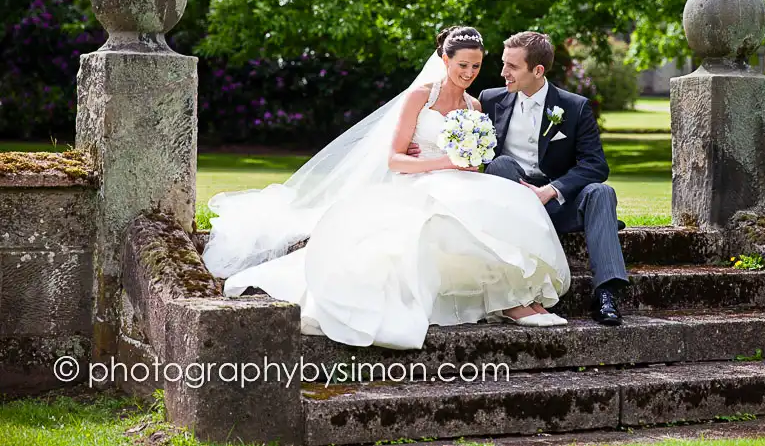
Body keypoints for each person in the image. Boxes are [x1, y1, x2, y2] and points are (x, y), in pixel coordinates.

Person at [201, 27, 571, 350]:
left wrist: (469, 162)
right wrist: (445, 163)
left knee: (509, 201)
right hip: (418, 180)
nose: (469, 74)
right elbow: (396, 159)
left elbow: (473, 160)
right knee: (449, 214)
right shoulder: (420, 97)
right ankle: (510, 302)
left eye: (476, 67)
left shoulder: (475, 105)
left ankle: (521, 297)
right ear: (445, 59)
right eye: (462, 66)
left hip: (460, 179)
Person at [479, 32, 629, 326]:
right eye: (503, 63)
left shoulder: (574, 107)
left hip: (555, 205)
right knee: (501, 164)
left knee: (602, 192)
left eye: (512, 66)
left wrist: (552, 190)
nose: (503, 72)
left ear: (537, 71)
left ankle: (606, 294)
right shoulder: (490, 100)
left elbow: (595, 164)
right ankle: (518, 293)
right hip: (512, 206)